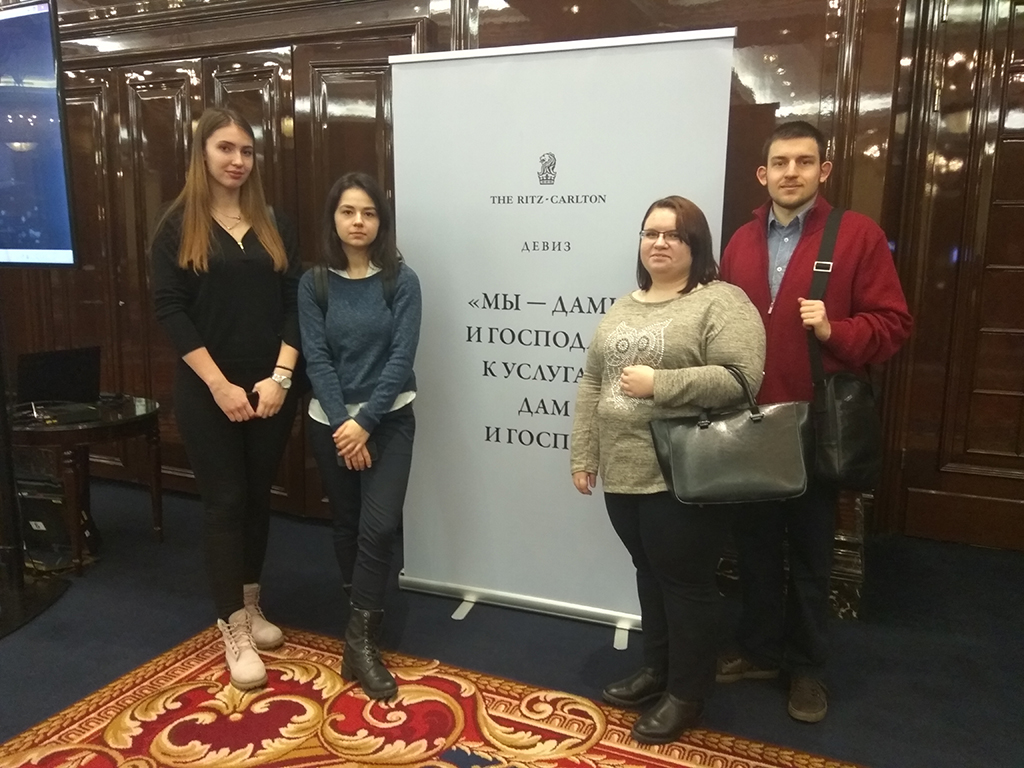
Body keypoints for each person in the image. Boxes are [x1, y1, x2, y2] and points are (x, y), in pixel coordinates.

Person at [718, 120, 912, 723]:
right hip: (749, 421)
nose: (791, 172)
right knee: (753, 547)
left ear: (823, 170)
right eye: (780, 163)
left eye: (804, 162)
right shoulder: (739, 242)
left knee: (809, 555)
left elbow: (894, 325)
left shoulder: (857, 235)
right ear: (763, 174)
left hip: (813, 425)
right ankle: (758, 651)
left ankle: (806, 667)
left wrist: (835, 330)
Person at [570, 195, 765, 744]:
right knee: (649, 573)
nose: (659, 242)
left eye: (674, 234)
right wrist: (584, 453)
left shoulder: (720, 301)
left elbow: (743, 378)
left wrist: (661, 384)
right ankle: (656, 669)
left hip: (682, 473)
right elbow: (592, 381)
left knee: (686, 585)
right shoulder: (623, 305)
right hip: (623, 469)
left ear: (695, 244)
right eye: (650, 232)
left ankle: (687, 692)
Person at [151, 107, 301, 691]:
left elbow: (297, 303)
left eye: (246, 151)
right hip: (206, 389)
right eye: (225, 149)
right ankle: (232, 625)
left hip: (270, 390)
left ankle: (251, 602)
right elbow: (171, 310)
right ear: (202, 153)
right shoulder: (175, 226)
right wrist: (219, 385)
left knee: (258, 498)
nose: (237, 161)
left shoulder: (274, 223)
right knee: (225, 502)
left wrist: (280, 378)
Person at [298, 172, 421, 700]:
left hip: (389, 420)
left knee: (379, 525)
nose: (358, 222)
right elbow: (316, 358)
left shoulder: (401, 280)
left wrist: (365, 422)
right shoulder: (314, 283)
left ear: (381, 222)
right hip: (329, 424)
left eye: (368, 213)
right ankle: (360, 628)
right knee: (347, 524)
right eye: (348, 211)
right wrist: (342, 424)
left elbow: (401, 357)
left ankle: (361, 644)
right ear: (333, 218)